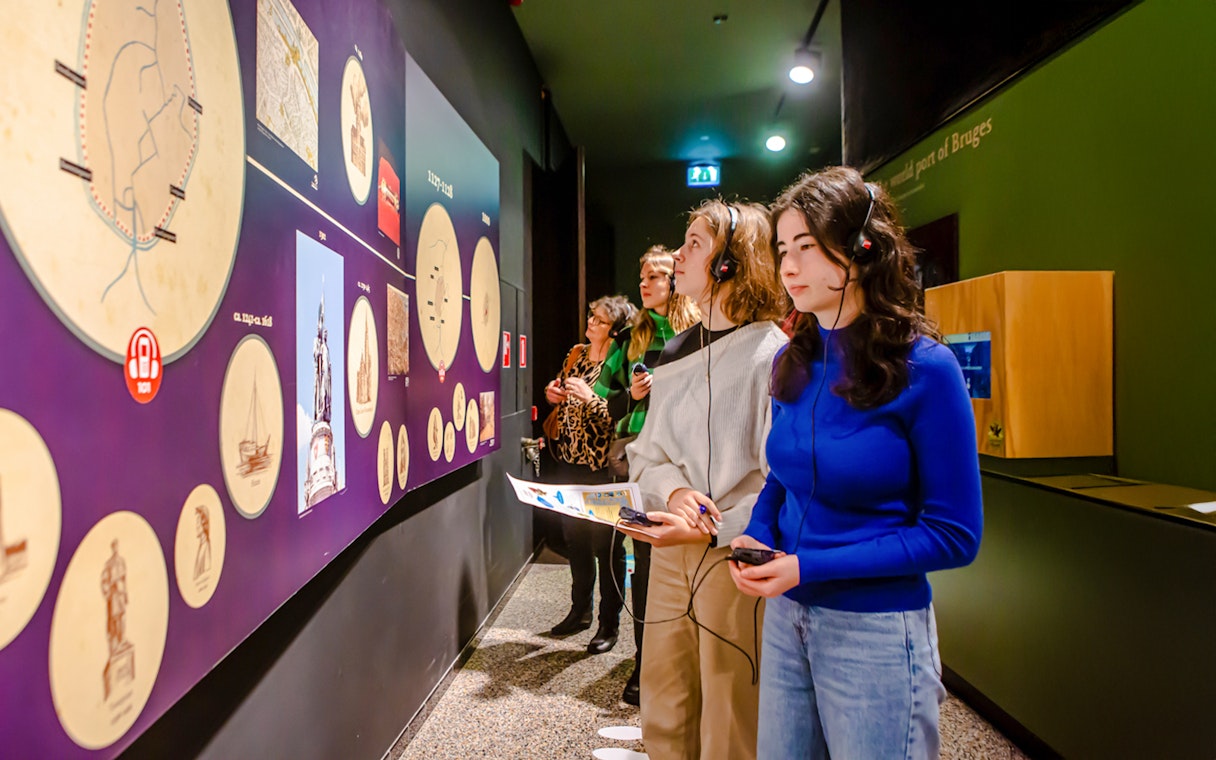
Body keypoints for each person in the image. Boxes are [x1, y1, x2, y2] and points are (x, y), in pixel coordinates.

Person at [728, 166, 983, 759]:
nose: (788, 267)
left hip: (877, 632)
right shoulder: (793, 360)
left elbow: (955, 536)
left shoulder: (928, 369)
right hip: (789, 618)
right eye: (783, 250)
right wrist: (758, 532)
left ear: (863, 250)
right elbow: (783, 481)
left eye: (808, 248)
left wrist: (807, 565)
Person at [620, 200, 788, 760]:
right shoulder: (671, 352)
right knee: (664, 705)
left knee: (730, 713)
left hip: (735, 555)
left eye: (694, 243)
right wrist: (674, 492)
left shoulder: (774, 355)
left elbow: (784, 480)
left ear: (729, 262)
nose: (677, 254)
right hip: (670, 551)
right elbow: (647, 454)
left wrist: (714, 524)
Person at [588, 245, 700, 705]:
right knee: (645, 561)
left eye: (656, 276)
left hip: (684, 460)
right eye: (642, 276)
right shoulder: (634, 333)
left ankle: (678, 661)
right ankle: (643, 663)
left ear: (675, 280)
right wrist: (631, 397)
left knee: (680, 564)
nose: (645, 283)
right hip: (634, 457)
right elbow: (599, 392)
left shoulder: (696, 328)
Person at [542, 294, 637, 653]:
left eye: (599, 320)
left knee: (606, 546)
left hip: (603, 467)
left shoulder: (623, 360)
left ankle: (608, 624)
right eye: (591, 317)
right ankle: (578, 611)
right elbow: (559, 387)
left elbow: (623, 414)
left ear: (614, 331)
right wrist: (553, 393)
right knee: (575, 540)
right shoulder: (576, 354)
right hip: (569, 460)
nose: (591, 323)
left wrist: (590, 398)